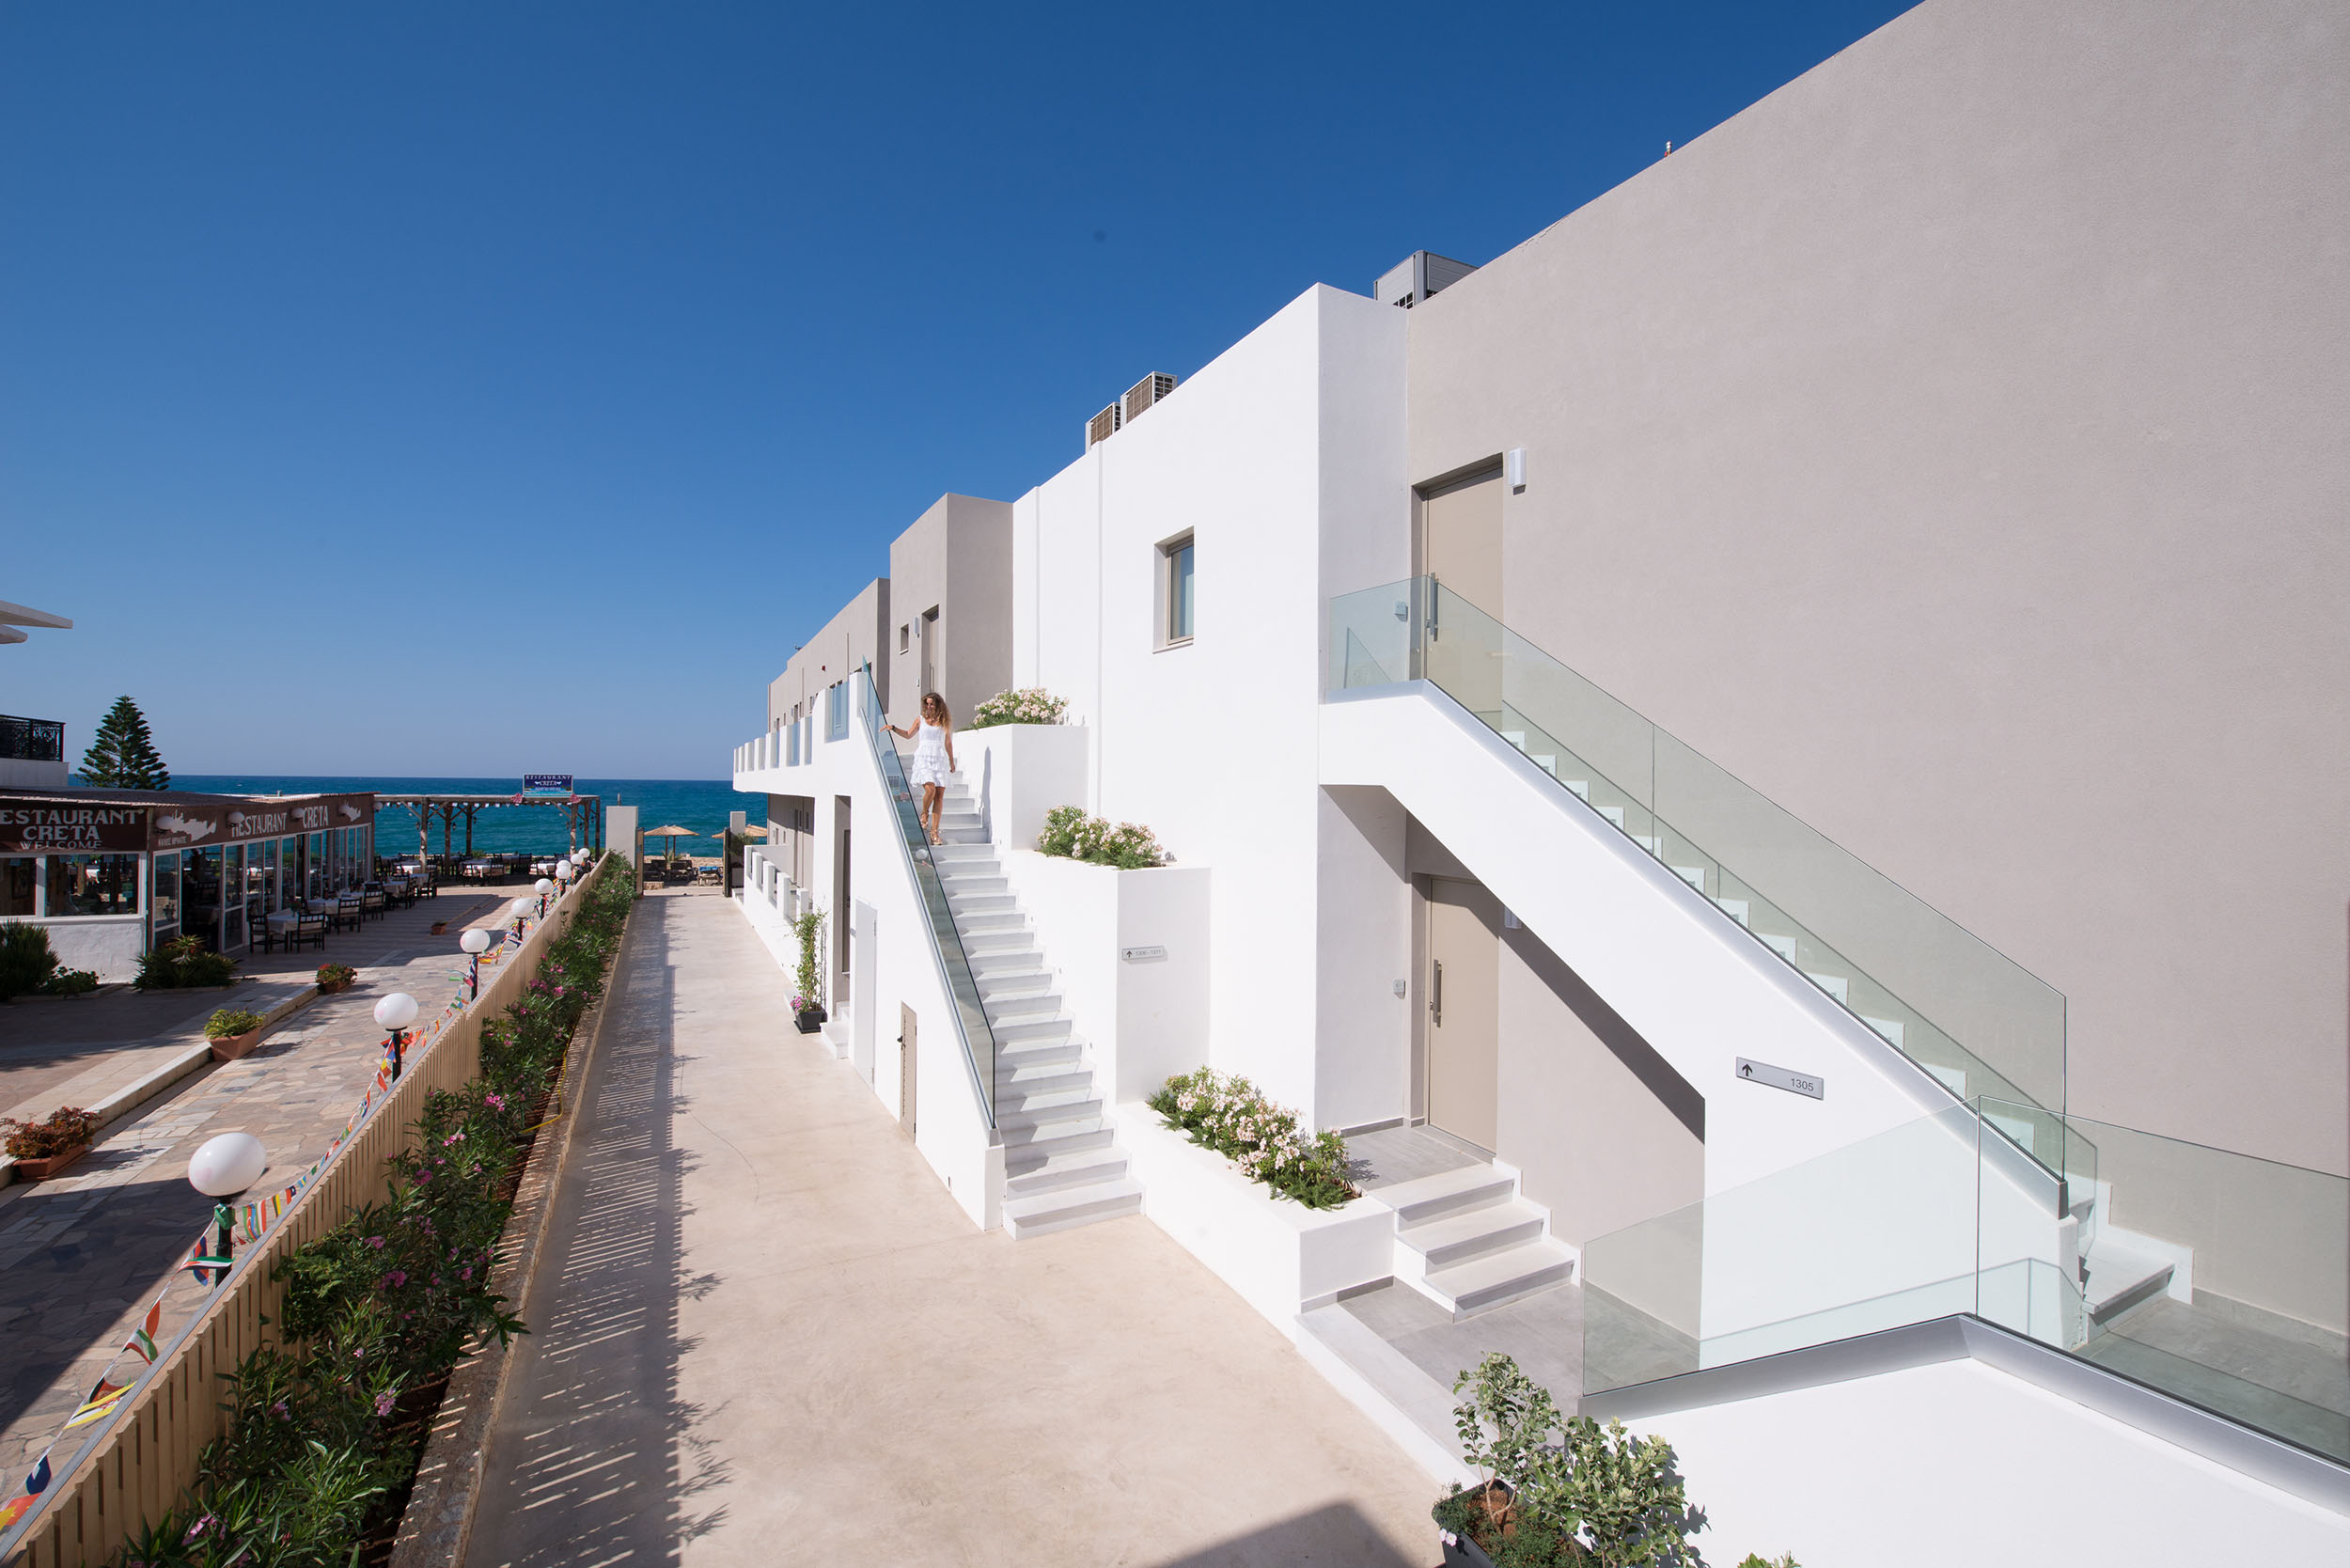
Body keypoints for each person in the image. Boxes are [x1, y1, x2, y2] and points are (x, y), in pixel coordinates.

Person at [888, 692, 956, 844]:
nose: (929, 706)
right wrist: (893, 728)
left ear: (938, 705)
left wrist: (951, 761)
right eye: (927, 703)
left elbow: (948, 743)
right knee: (930, 789)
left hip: (939, 758)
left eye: (932, 703)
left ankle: (934, 833)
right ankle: (924, 813)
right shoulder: (920, 720)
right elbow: (908, 734)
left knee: (939, 796)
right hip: (924, 757)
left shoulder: (943, 721)